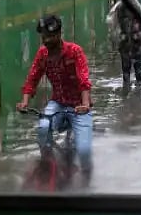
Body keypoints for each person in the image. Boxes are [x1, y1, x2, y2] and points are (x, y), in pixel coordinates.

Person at [16, 14, 94, 184]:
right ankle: (47, 165)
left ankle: (87, 182)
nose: (46, 41)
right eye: (44, 37)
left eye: (50, 36)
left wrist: (86, 104)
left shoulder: (75, 51)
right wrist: (25, 101)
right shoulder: (42, 54)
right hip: (57, 103)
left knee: (84, 150)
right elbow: (32, 78)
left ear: (59, 35)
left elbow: (84, 80)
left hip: (79, 106)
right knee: (43, 127)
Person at [106, 0, 141, 85]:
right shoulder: (122, 10)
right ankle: (133, 91)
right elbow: (113, 24)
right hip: (127, 44)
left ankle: (131, 91)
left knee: (134, 70)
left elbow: (113, 24)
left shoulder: (128, 10)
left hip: (132, 43)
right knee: (130, 71)